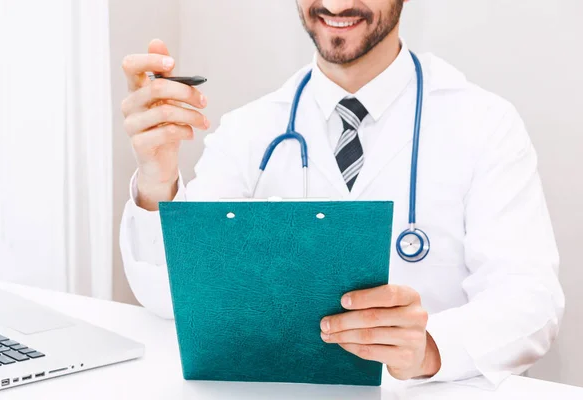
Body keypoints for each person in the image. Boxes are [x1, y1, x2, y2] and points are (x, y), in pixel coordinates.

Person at [119, 0, 564, 386]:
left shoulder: (484, 123)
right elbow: (168, 298)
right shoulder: (250, 130)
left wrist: (429, 348)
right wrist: (157, 176)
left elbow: (530, 300)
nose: (336, 5)